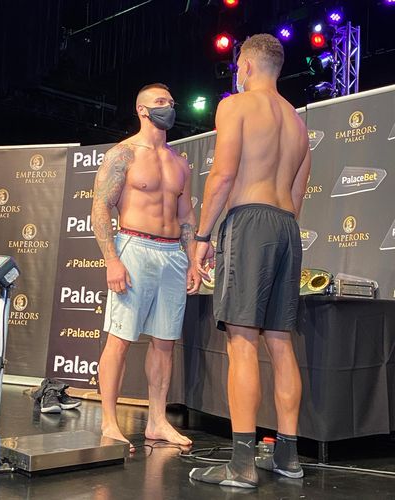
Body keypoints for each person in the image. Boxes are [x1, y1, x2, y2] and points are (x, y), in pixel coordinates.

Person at [189, 34, 311, 488]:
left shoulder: (235, 106)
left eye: (238, 66)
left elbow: (221, 174)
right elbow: (297, 194)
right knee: (280, 342)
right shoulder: (298, 124)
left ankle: (241, 464)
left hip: (251, 220)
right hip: (286, 226)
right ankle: (288, 457)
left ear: (246, 66)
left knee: (242, 341)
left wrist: (203, 235)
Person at [91, 83, 201, 451]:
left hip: (172, 254)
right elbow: (100, 208)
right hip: (134, 246)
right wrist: (112, 259)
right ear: (141, 110)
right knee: (120, 340)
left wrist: (192, 259)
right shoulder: (123, 153)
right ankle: (109, 421)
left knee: (165, 343)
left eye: (171, 102)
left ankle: (156, 421)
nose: (168, 107)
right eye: (160, 102)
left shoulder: (179, 161)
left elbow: (186, 216)